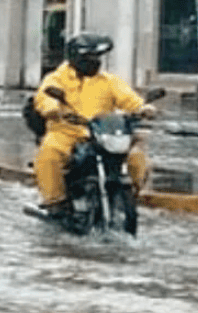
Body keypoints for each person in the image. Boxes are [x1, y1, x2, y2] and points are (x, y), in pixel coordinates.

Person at [32, 32, 157, 210]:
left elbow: (128, 98)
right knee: (49, 154)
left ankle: (131, 194)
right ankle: (55, 201)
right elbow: (45, 97)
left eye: (97, 57)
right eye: (91, 57)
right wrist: (52, 109)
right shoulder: (56, 78)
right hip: (67, 132)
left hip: (103, 133)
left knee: (137, 157)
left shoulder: (108, 80)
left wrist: (142, 108)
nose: (96, 62)